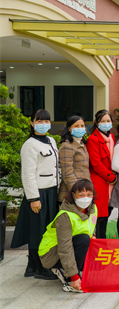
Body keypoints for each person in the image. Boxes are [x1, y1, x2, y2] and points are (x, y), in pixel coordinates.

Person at [11, 109, 59, 280]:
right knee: (37, 231)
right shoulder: (29, 145)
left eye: (46, 121)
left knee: (45, 230)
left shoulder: (51, 141)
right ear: (32, 123)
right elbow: (28, 174)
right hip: (39, 194)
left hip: (51, 191)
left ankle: (31, 266)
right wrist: (33, 198)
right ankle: (40, 268)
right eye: (39, 121)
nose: (43, 124)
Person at [39, 179, 97, 293]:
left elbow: (90, 227)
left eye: (89, 194)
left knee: (98, 261)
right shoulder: (65, 216)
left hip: (73, 246)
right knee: (84, 239)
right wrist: (74, 277)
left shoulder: (93, 209)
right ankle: (69, 279)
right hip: (52, 254)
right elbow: (65, 247)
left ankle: (73, 270)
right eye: (81, 195)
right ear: (73, 196)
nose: (86, 198)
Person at [86, 109, 117, 239]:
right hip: (99, 181)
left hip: (110, 183)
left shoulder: (111, 138)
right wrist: (111, 177)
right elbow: (96, 163)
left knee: (107, 214)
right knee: (99, 217)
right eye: (102, 121)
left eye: (108, 120)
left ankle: (103, 244)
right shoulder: (92, 139)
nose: (106, 123)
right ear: (96, 123)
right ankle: (99, 245)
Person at [58, 116, 90, 203]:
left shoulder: (83, 144)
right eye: (76, 126)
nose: (80, 128)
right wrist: (77, 192)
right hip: (72, 194)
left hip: (84, 191)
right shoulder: (67, 146)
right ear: (69, 129)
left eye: (82, 126)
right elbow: (67, 173)